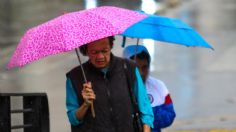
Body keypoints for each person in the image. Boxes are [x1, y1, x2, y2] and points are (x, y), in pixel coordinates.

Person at [65, 36, 154, 132]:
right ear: (86, 51)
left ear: (111, 46)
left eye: (104, 51)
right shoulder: (75, 77)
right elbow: (73, 119)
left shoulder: (128, 68)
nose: (100, 57)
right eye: (94, 52)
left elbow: (145, 109)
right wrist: (85, 105)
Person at [123, 45, 176, 132]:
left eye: (144, 67)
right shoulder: (118, 86)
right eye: (136, 68)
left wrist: (148, 112)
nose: (140, 73)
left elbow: (170, 116)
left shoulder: (159, 86)